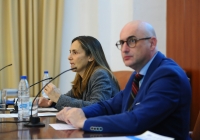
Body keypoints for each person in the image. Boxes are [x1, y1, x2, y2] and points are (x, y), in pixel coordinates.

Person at [56, 21, 192, 140]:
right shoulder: (137, 75)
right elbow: (108, 106)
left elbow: (136, 120)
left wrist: (84, 123)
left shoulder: (167, 74)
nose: (125, 49)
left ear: (152, 43)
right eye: (121, 43)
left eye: (132, 41)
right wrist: (80, 112)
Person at [38, 36, 120, 111]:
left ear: (91, 56)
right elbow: (68, 99)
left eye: (75, 52)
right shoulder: (82, 77)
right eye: (70, 52)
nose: (69, 57)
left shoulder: (100, 74)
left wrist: (58, 98)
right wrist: (50, 102)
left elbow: (97, 107)